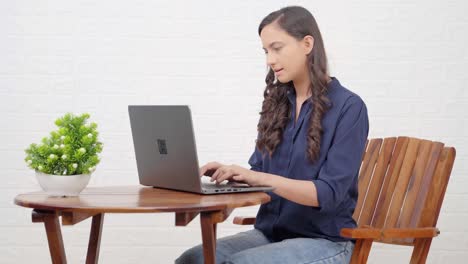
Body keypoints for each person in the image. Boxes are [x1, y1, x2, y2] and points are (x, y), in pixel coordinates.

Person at [176, 5, 369, 264]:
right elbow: (257, 172)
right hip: (271, 234)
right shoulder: (278, 104)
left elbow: (328, 194)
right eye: (266, 51)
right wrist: (232, 176)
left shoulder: (348, 107)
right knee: (193, 259)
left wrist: (256, 176)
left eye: (277, 48)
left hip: (325, 241)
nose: (270, 60)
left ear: (307, 43)